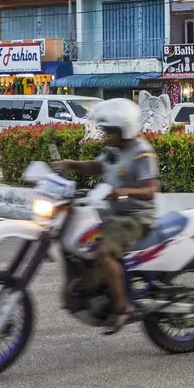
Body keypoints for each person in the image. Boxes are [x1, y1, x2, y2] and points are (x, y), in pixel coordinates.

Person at [53, 99, 158, 333]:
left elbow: (151, 191)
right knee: (81, 242)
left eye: (109, 131)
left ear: (124, 129)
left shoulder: (142, 152)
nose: (105, 135)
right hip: (110, 213)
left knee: (104, 251)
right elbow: (97, 167)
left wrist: (122, 192)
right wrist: (70, 164)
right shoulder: (113, 149)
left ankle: (122, 306)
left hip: (136, 217)